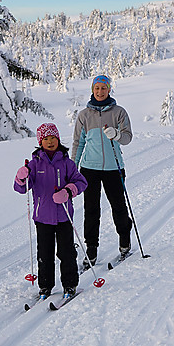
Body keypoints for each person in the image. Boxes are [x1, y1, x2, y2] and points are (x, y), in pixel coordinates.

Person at [14, 123, 88, 300]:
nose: (49, 142)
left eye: (52, 138)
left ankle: (70, 284)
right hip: (43, 217)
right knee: (44, 254)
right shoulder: (34, 164)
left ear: (58, 139)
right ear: (40, 142)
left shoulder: (67, 163)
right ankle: (45, 287)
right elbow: (21, 189)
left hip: (63, 216)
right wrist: (20, 177)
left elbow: (81, 182)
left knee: (66, 252)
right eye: (45, 139)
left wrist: (67, 191)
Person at [72, 75, 133, 269]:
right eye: (97, 88)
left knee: (118, 206)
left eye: (103, 88)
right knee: (91, 210)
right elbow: (78, 143)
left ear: (109, 90)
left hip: (113, 168)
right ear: (92, 89)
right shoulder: (84, 115)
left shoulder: (119, 112)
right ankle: (91, 248)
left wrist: (116, 134)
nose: (100, 92)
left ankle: (125, 240)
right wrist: (73, 167)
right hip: (89, 169)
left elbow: (127, 138)